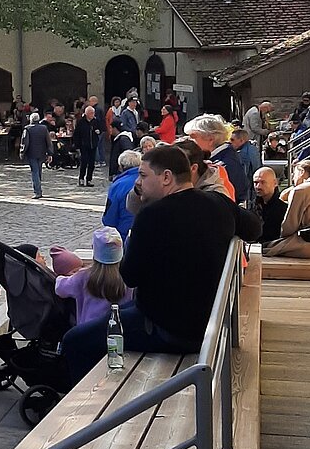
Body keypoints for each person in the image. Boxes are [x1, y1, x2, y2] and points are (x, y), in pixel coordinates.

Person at [60, 145, 238, 384]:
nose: (139, 182)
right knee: (108, 322)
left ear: (166, 177)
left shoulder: (153, 214)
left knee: (75, 340)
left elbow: (129, 276)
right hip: (208, 320)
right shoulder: (218, 203)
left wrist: (134, 238)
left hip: (166, 328)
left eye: (143, 175)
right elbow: (254, 226)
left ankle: (80, 408)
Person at [54, 226, 132, 332]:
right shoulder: (128, 276)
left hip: (87, 331)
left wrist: (61, 277)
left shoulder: (84, 276)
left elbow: (60, 289)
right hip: (118, 331)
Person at [102, 149, 142, 239]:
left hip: (124, 232)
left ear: (121, 167)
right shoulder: (149, 180)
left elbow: (110, 217)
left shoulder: (118, 185)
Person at [252, 166, 286, 249]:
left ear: (275, 183)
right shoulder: (253, 205)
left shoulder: (284, 206)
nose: (258, 187)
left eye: (263, 182)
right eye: (256, 182)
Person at [20, 111, 51, 199]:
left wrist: (22, 152)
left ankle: (37, 191)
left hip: (32, 153)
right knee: (38, 171)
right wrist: (50, 153)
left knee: (35, 171)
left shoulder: (28, 129)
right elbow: (48, 141)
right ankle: (38, 189)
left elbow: (25, 142)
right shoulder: (44, 128)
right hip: (41, 153)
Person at [228, 126, 260, 200]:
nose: (230, 142)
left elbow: (244, 175)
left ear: (241, 141)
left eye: (232, 140)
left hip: (248, 191)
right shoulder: (253, 149)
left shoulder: (242, 154)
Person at [73, 104, 99, 188]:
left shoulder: (95, 121)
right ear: (87, 113)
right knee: (84, 162)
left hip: (93, 145)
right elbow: (76, 134)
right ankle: (81, 178)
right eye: (91, 113)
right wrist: (77, 145)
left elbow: (101, 128)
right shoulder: (81, 122)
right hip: (84, 145)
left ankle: (89, 179)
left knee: (92, 163)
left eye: (93, 113)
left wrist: (98, 131)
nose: (93, 115)